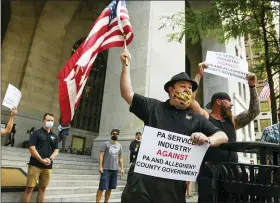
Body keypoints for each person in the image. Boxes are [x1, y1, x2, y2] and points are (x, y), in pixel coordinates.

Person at [120, 50, 229, 203]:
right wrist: (126, 65)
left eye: (190, 88)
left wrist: (207, 140)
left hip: (173, 186)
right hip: (141, 182)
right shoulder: (154, 107)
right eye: (183, 86)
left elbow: (223, 136)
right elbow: (127, 93)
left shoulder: (197, 119)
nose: (187, 90)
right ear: (172, 90)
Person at [190, 63, 260, 203]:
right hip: (209, 174)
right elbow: (190, 100)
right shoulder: (206, 117)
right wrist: (199, 75)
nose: (231, 105)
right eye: (228, 102)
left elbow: (254, 112)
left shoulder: (233, 121)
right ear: (219, 102)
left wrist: (252, 86)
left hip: (231, 174)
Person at [22, 113, 59, 203]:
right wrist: (41, 160)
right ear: (43, 121)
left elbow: (56, 150)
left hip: (47, 167)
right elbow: (32, 148)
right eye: (48, 120)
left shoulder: (54, 136)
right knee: (29, 188)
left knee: (43, 189)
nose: (50, 122)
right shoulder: (36, 133)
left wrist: (49, 159)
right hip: (35, 165)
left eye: (52, 120)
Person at [96, 128, 124, 203]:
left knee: (110, 188)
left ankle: (106, 201)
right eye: (113, 133)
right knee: (101, 187)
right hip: (105, 169)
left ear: (118, 135)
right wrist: (100, 166)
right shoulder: (106, 144)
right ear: (111, 134)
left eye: (116, 134)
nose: (115, 135)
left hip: (115, 169)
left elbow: (121, 158)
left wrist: (122, 168)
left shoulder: (119, 146)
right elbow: (101, 155)